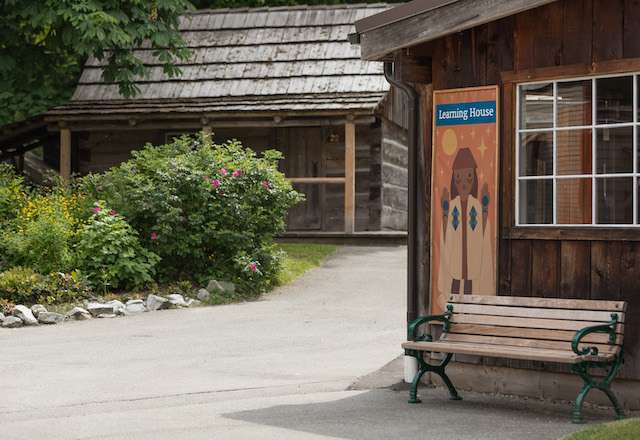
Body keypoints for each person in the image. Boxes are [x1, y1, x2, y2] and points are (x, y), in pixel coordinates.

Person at [437, 148, 493, 307]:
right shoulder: (452, 205)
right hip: (455, 258)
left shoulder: (476, 205)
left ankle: (468, 311)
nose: (463, 183)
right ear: (454, 180)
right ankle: (452, 310)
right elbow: (446, 233)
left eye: (468, 176)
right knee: (454, 285)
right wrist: (446, 212)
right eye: (458, 177)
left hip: (471, 260)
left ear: (474, 179)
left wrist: (484, 210)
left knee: (469, 285)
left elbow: (482, 231)